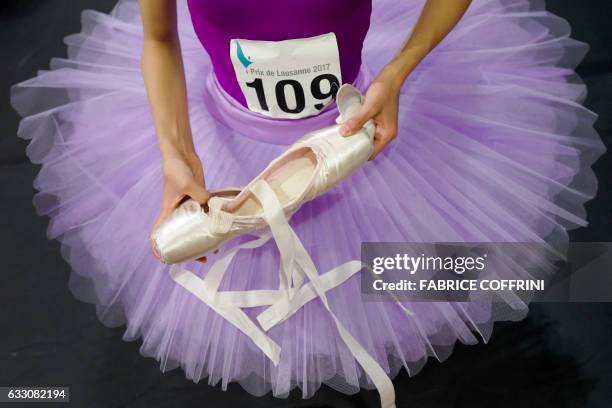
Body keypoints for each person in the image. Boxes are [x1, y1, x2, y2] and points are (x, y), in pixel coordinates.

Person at [11, 0, 604, 406]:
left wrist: (398, 73)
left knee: (407, 270)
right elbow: (159, 38)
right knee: (276, 286)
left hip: (351, 132)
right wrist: (175, 154)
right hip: (229, 141)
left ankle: (576, 275)